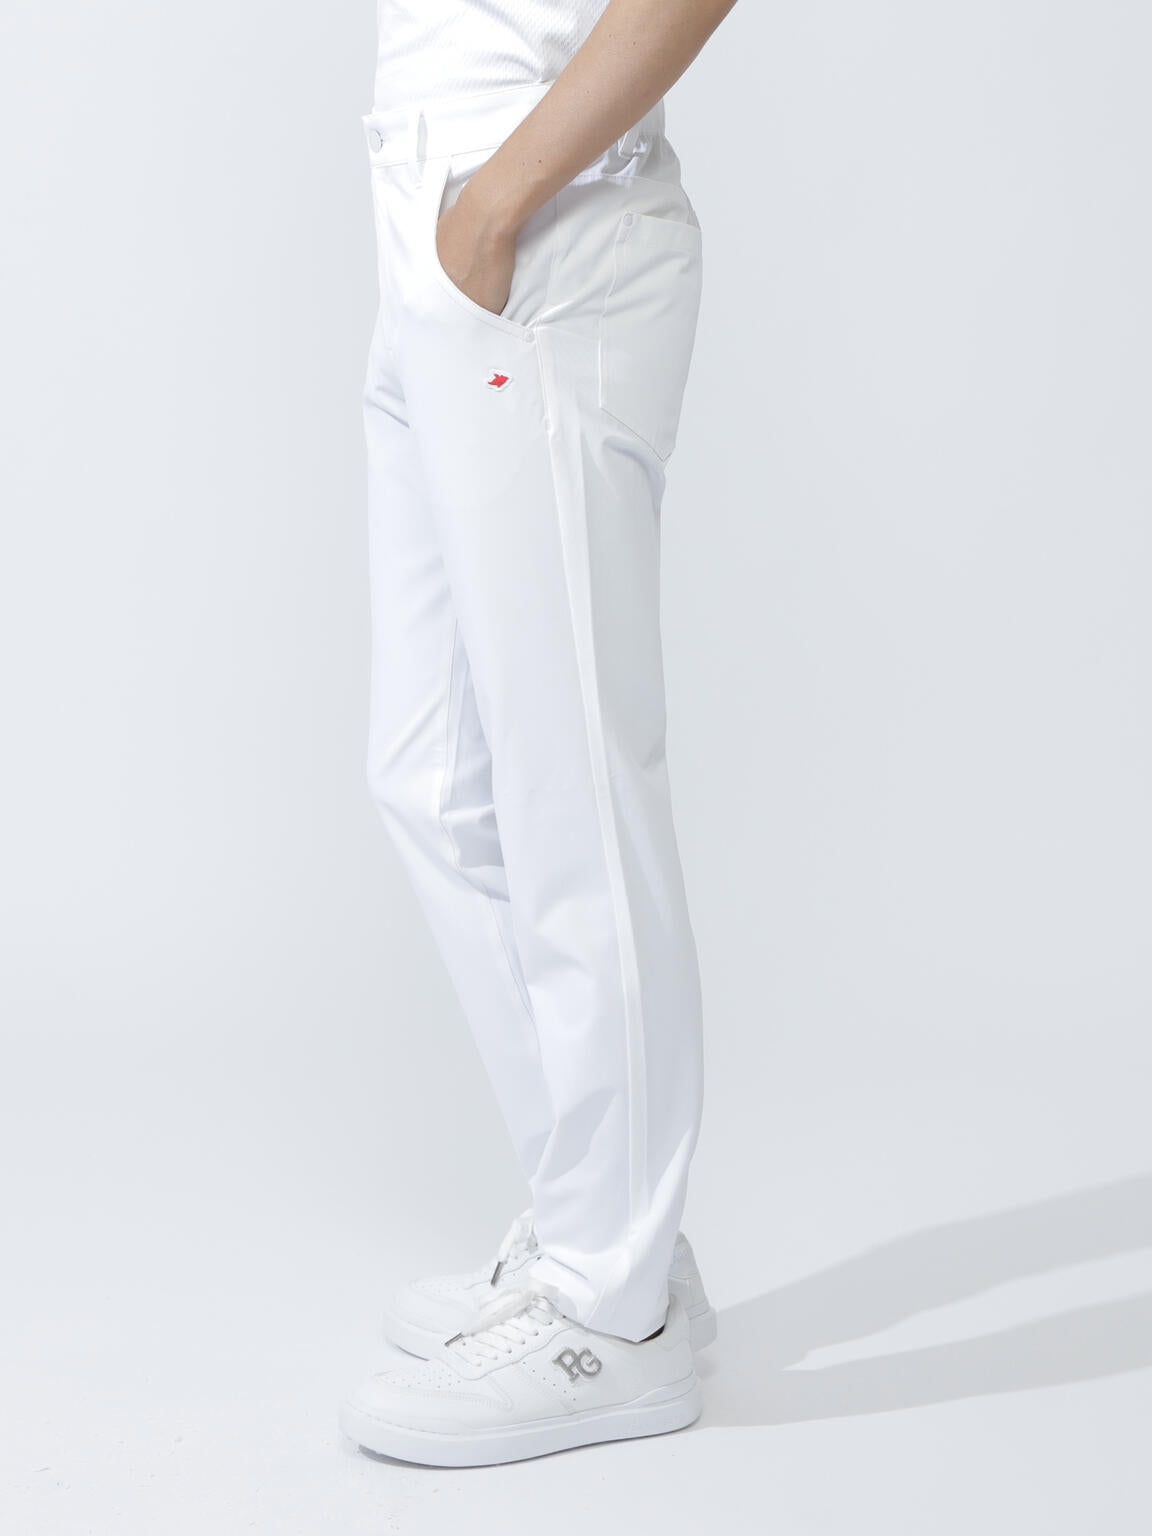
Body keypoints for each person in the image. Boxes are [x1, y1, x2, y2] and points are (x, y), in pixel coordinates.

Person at [341, 0, 740, 1466]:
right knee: (431, 778)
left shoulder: (512, 208)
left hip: (540, 221)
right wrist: (453, 217)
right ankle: (605, 1224)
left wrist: (498, 200)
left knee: (571, 787)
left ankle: (610, 1313)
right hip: (439, 210)